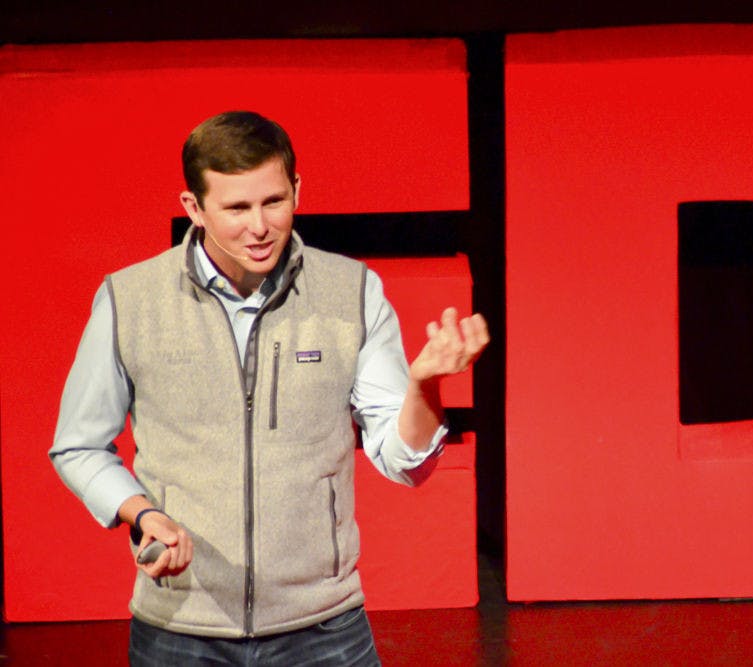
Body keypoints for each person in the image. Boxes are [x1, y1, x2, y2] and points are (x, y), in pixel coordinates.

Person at [49, 110, 489, 665]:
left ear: (297, 190)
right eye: (236, 208)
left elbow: (408, 464)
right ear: (194, 208)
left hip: (324, 626)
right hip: (179, 628)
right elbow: (78, 445)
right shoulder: (130, 300)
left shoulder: (352, 291)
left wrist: (424, 387)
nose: (259, 227)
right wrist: (140, 513)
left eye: (273, 201)